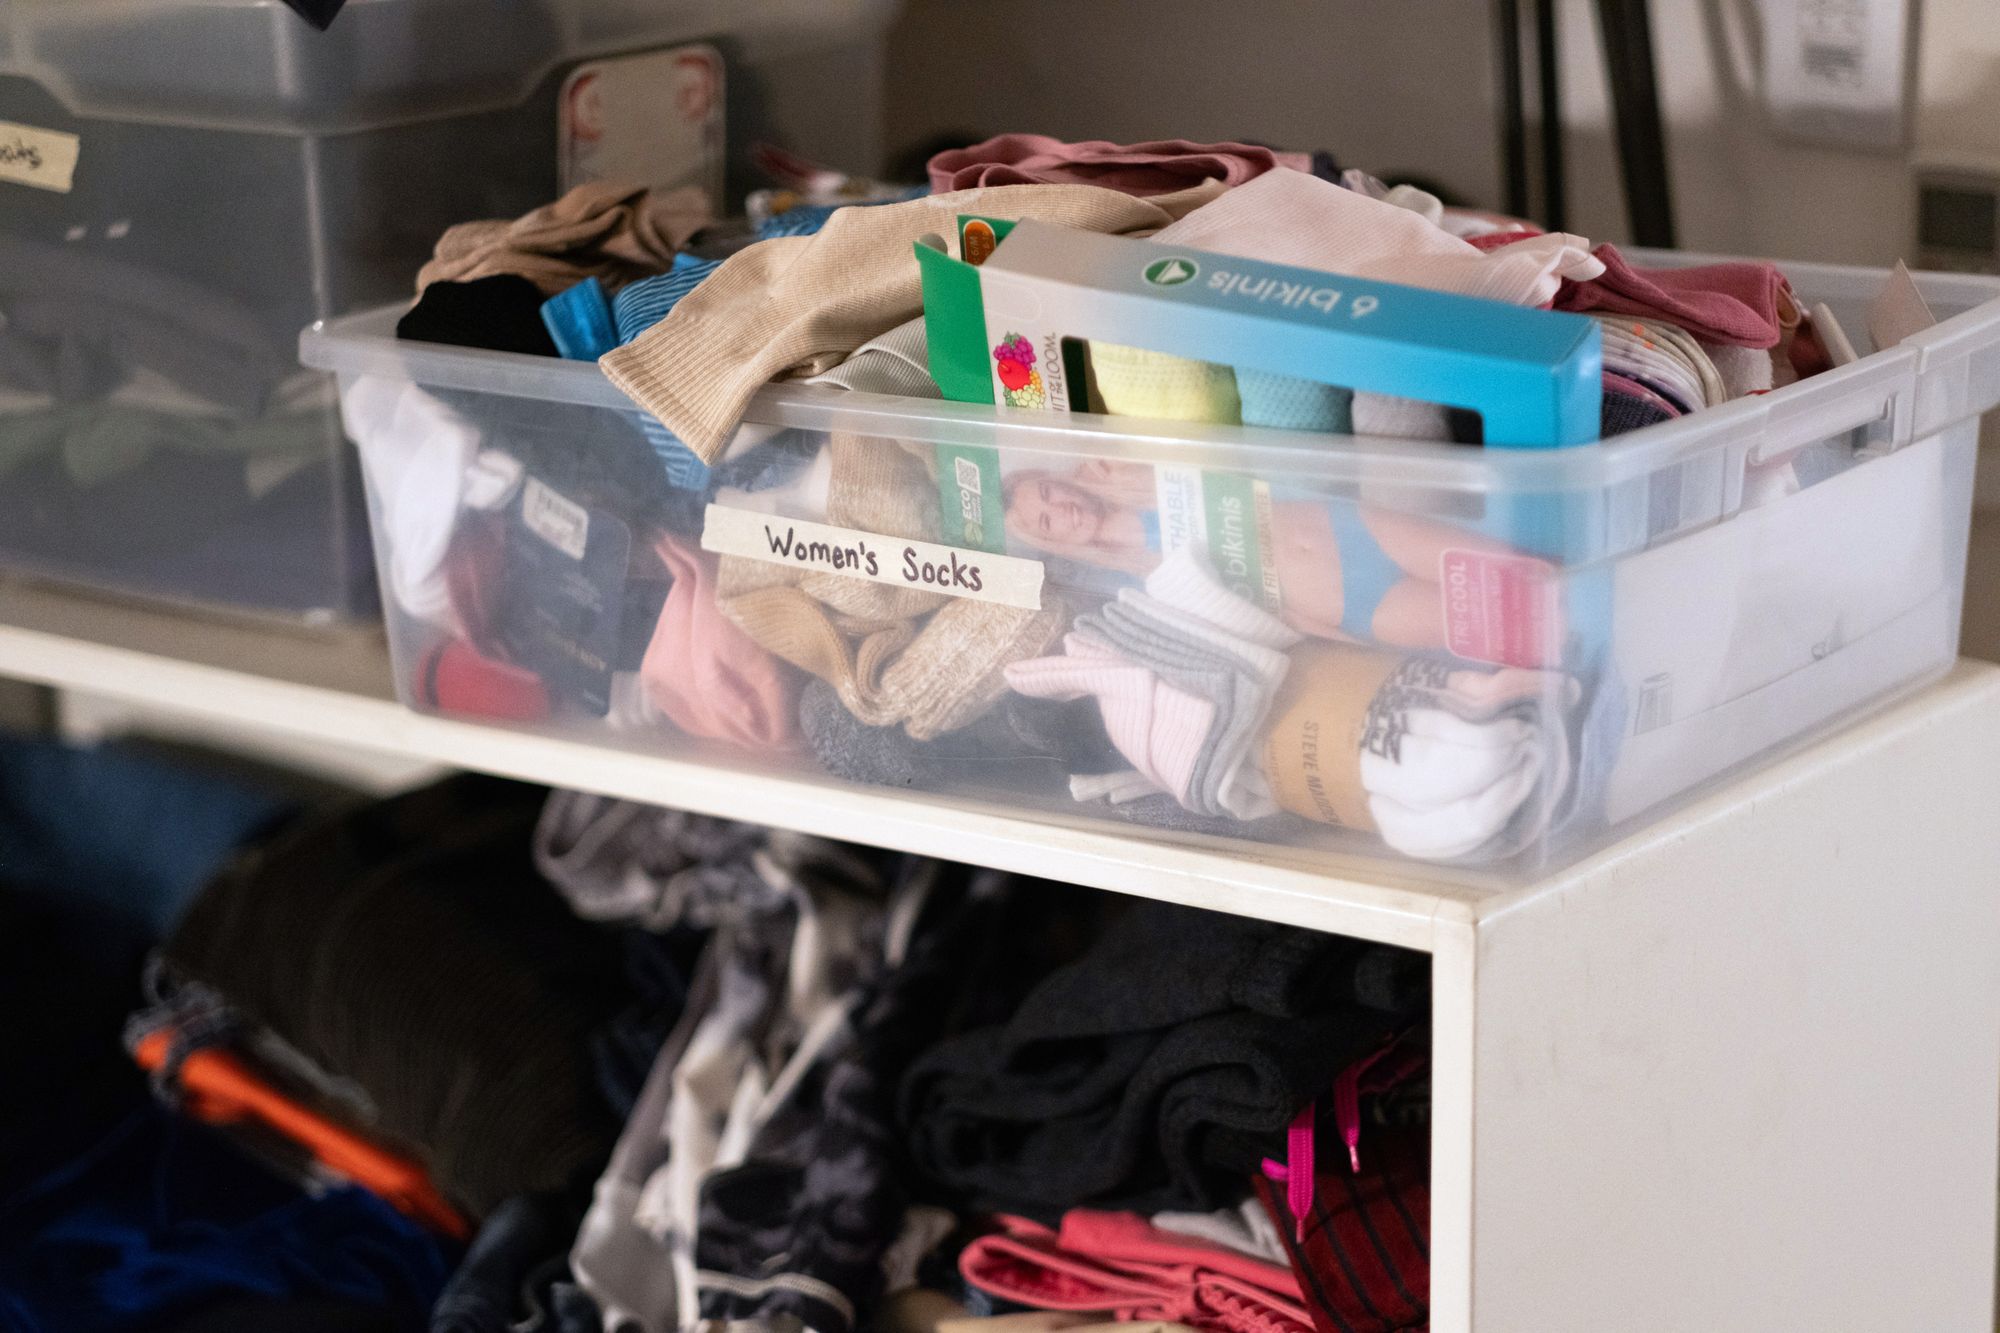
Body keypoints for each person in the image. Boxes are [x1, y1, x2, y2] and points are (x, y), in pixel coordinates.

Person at [1000, 458, 1510, 652]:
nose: (1061, 509)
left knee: (1522, 573)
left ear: (1060, 478)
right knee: (1522, 625)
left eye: (1049, 492)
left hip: (1353, 527)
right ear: (1053, 542)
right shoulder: (1134, 593)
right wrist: (1321, 631)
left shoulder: (1138, 471)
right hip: (1357, 607)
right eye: (1046, 521)